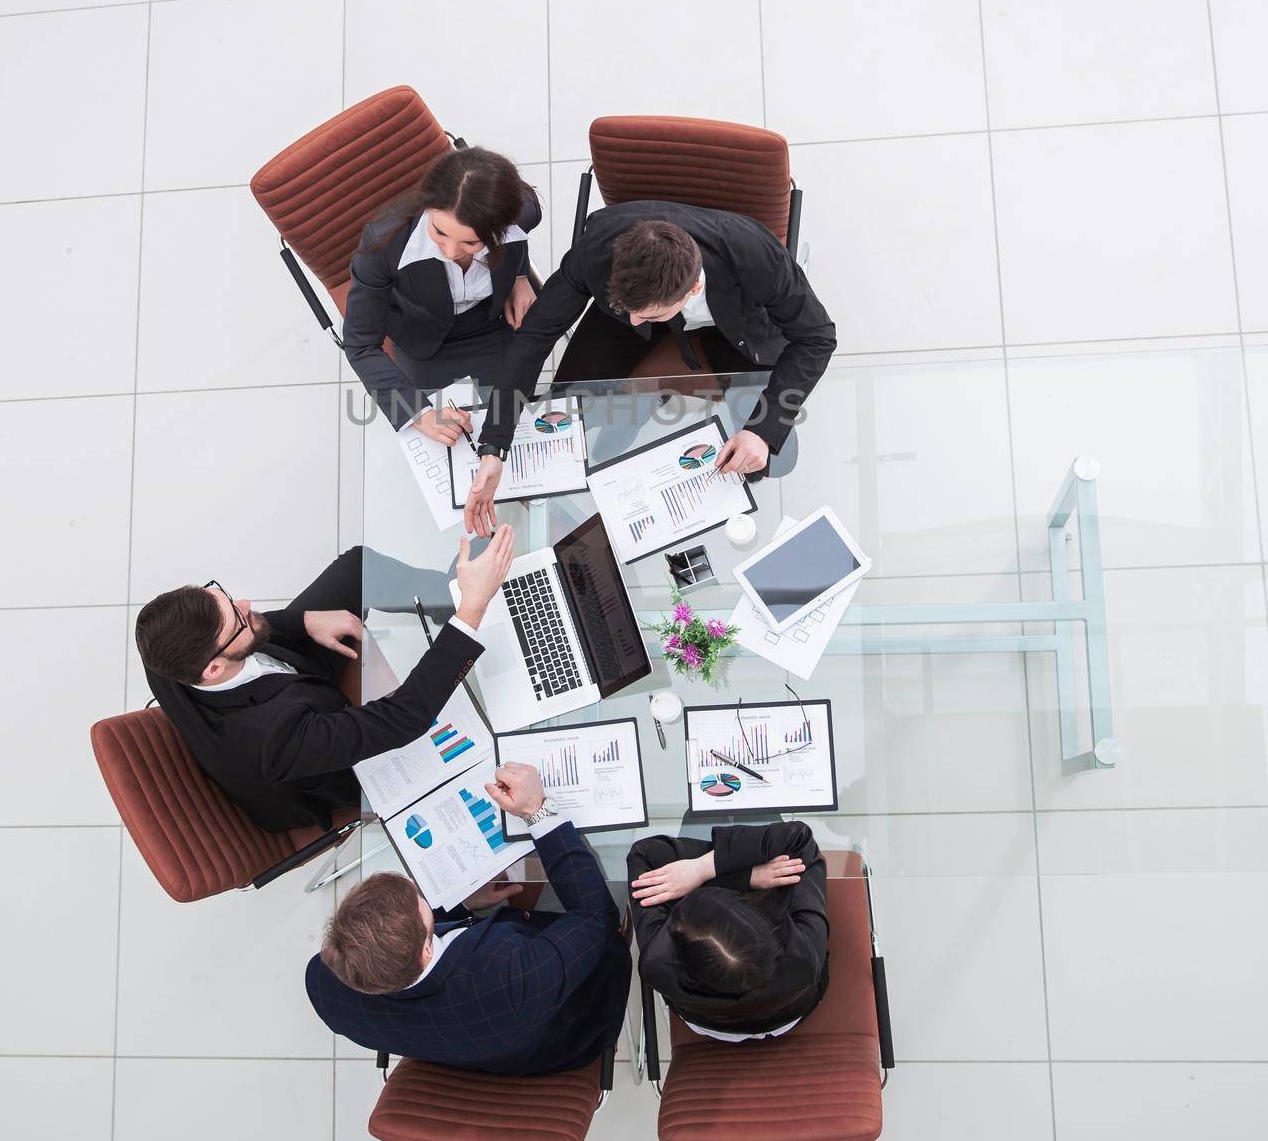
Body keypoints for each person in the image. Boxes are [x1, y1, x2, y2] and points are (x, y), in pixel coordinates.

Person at [463, 202, 836, 534]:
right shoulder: (597, 251)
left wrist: (762, 433)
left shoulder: (756, 256)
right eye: (632, 311)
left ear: (691, 290)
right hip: (618, 321)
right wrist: (494, 444)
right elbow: (534, 338)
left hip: (737, 332)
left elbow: (818, 337)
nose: (638, 321)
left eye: (649, 314)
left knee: (762, 461)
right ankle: (628, 417)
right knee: (563, 415)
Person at [133, 528, 515, 833]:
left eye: (229, 599)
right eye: (239, 619)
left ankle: (449, 597)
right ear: (213, 669)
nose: (248, 605)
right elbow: (403, 718)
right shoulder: (275, 742)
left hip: (289, 683)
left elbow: (240, 627)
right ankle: (471, 603)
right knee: (447, 718)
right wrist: (472, 611)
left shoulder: (162, 643)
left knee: (357, 569)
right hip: (332, 770)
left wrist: (302, 621)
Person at [305, 761, 631, 1075]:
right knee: (584, 850)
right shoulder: (510, 975)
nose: (420, 891)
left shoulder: (326, 985)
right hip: (566, 1024)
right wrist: (538, 812)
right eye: (421, 899)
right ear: (426, 950)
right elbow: (595, 918)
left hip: (469, 1038)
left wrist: (463, 907)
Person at [343, 145, 542, 446]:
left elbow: (517, 238)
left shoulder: (524, 210)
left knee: (508, 427)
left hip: (490, 322)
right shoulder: (383, 244)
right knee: (450, 441)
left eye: (470, 242)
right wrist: (417, 413)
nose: (449, 253)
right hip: (423, 338)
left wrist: (519, 275)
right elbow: (360, 345)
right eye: (439, 232)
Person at [627, 819, 828, 1040]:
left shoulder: (657, 963)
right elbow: (800, 840)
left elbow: (644, 853)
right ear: (759, 923)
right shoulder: (804, 959)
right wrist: (733, 874)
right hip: (787, 1014)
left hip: (705, 1022)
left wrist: (706, 872)